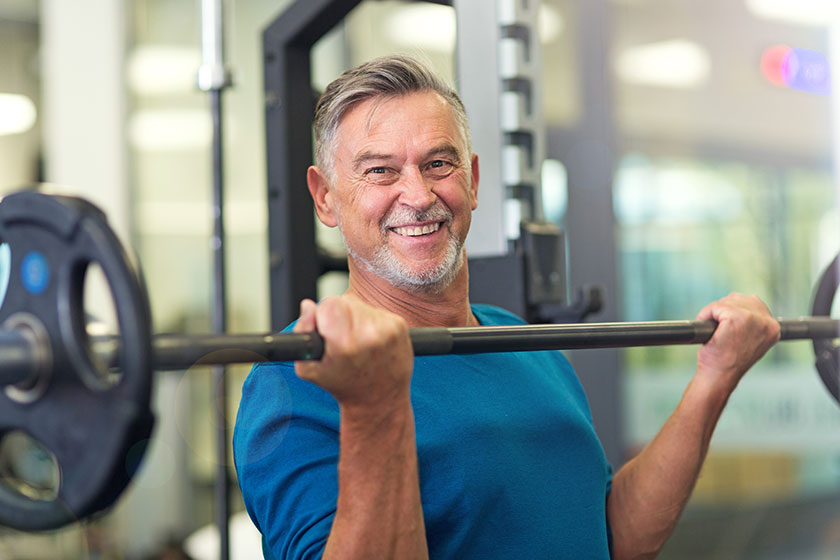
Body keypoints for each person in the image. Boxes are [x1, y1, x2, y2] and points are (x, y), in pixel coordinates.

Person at [232, 55, 780, 559]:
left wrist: (716, 375)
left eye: (438, 164)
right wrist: (375, 408)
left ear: (472, 180)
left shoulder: (519, 341)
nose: (419, 195)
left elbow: (613, 536)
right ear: (325, 197)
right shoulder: (294, 382)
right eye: (380, 171)